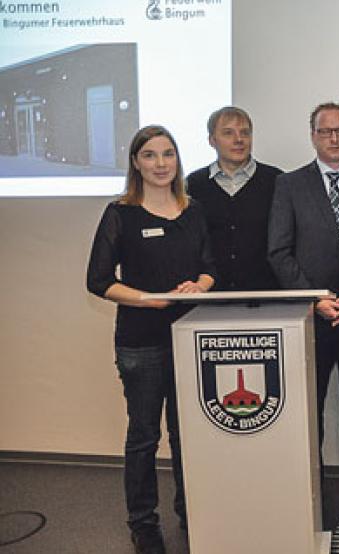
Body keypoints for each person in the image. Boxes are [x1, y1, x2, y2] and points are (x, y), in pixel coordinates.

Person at [86, 125, 216, 554]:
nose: (161, 164)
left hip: (189, 338)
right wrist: (146, 300)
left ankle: (189, 510)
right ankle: (143, 523)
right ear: (136, 163)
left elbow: (209, 267)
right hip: (140, 342)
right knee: (144, 436)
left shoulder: (193, 210)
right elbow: (99, 281)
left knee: (186, 435)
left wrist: (199, 284)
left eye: (168, 154)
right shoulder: (121, 213)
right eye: (150, 155)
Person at [267, 102, 339, 505]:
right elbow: (279, 252)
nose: (334, 138)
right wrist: (316, 299)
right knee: (308, 405)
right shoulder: (289, 185)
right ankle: (308, 478)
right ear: (313, 135)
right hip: (311, 316)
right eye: (325, 131)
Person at [186, 106, 283, 291]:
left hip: (266, 296)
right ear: (212, 140)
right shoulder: (193, 185)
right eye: (228, 133)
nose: (239, 140)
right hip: (209, 299)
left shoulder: (277, 181)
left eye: (245, 133)